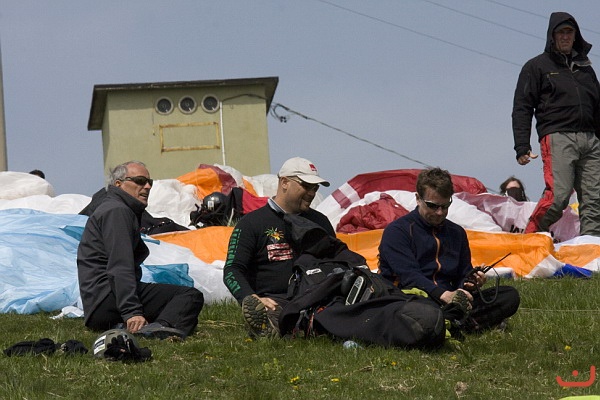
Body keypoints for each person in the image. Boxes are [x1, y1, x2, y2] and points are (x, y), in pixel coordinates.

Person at [378, 168, 520, 336]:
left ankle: (450, 324)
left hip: (450, 302)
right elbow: (410, 277)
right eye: (433, 206)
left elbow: (463, 273)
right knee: (419, 308)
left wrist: (471, 282)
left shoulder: (457, 233)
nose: (439, 212)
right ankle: (462, 323)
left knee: (509, 295)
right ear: (417, 198)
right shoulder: (397, 231)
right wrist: (444, 295)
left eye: (445, 206)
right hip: (412, 299)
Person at [77, 161, 204, 339]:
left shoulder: (119, 208)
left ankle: (132, 324)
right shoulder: (117, 211)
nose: (147, 186)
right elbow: (120, 266)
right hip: (106, 299)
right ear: (119, 184)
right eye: (139, 181)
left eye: (149, 182)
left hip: (100, 302)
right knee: (189, 296)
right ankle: (155, 331)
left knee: (182, 311)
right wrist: (132, 312)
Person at [223, 156, 335, 337]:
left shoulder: (320, 222)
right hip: (277, 302)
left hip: (319, 297)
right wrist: (250, 298)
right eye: (306, 186)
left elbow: (337, 260)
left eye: (315, 188)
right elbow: (232, 270)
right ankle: (269, 326)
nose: (311, 193)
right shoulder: (251, 223)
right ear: (284, 182)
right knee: (275, 315)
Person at [512, 12, 600, 236]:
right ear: (552, 36)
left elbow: (597, 106)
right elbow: (522, 107)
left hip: (591, 140)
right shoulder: (536, 66)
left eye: (569, 32)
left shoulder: (585, 68)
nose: (565, 37)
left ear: (576, 35)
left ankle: (590, 250)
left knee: (595, 201)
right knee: (558, 197)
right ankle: (529, 238)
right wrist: (522, 146)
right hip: (558, 136)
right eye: (561, 32)